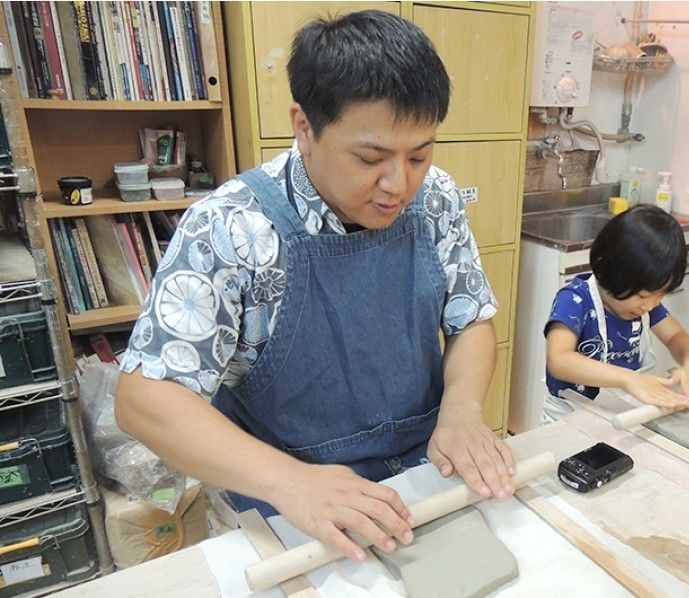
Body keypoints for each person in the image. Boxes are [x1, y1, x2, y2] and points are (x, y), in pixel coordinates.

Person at [115, 10, 515, 563]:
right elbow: (144, 400)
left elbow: (470, 317)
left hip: (424, 475)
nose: (399, 184)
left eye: (419, 154)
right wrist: (290, 481)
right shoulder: (230, 227)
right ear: (304, 125)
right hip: (288, 504)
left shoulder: (435, 198)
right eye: (371, 158)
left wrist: (463, 409)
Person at [543, 204, 689, 421]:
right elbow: (559, 361)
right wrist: (629, 379)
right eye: (643, 296)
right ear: (609, 270)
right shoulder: (575, 300)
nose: (650, 306)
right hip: (570, 417)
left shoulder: (643, 306)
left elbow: (676, 337)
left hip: (622, 413)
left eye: (660, 296)